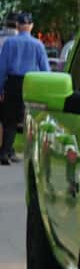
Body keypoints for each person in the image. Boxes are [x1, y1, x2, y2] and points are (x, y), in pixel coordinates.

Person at [1, 12, 51, 164]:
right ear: (31, 26)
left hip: (13, 82)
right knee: (30, 119)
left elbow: (2, 68)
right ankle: (33, 156)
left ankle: (5, 152)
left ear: (17, 25)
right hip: (31, 83)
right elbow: (45, 71)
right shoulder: (38, 45)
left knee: (9, 119)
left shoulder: (9, 43)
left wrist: (0, 88)